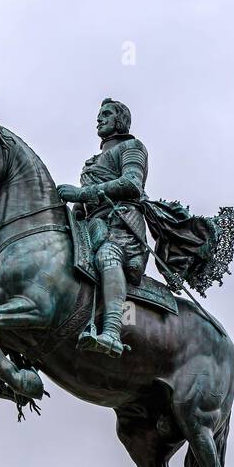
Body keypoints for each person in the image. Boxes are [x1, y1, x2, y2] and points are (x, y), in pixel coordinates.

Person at [57, 98, 148, 357]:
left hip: (121, 225)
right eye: (99, 115)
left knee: (107, 255)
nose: (100, 119)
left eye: (106, 114)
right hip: (93, 226)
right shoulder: (91, 162)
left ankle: (111, 333)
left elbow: (132, 184)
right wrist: (75, 209)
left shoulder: (132, 147)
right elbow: (84, 204)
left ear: (120, 119)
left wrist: (82, 192)